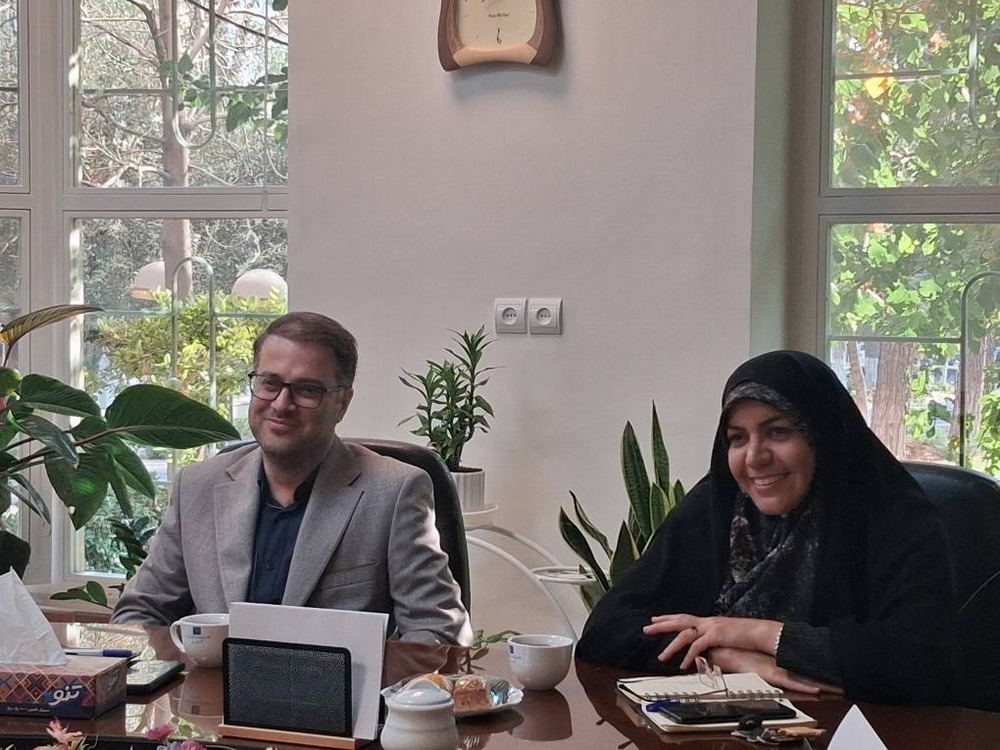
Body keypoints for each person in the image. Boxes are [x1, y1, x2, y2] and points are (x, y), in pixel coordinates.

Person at [576, 350, 956, 705]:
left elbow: (920, 662)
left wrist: (754, 633)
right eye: (737, 438)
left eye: (778, 432)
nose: (754, 458)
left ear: (821, 436)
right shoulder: (717, 506)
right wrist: (722, 655)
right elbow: (606, 629)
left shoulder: (896, 517)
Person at [112, 312, 472, 646]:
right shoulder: (198, 486)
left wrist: (389, 684)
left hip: (343, 693)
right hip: (212, 693)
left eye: (307, 390)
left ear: (342, 403)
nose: (281, 404)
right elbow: (139, 613)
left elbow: (438, 630)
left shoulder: (393, 492)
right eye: (269, 383)